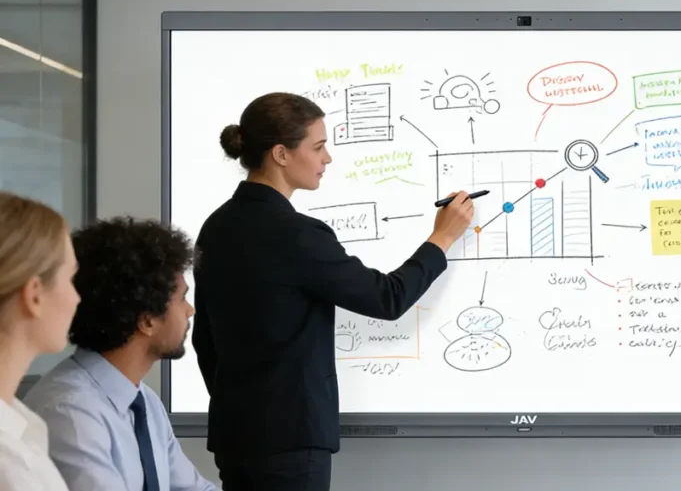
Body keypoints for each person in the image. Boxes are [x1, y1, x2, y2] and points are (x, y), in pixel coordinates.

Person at [191, 92, 474, 490]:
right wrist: (441, 238)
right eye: (319, 146)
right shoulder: (297, 235)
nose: (328, 158)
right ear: (281, 154)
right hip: (291, 442)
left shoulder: (215, 227)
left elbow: (205, 338)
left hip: (235, 436)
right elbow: (387, 298)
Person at [23, 216, 217, 491]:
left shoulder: (143, 401)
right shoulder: (70, 412)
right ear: (147, 320)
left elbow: (193, 488)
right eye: (183, 298)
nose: (190, 310)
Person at [0, 192, 79, 491]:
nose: (77, 297)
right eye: (71, 279)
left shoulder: (21, 429)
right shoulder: (9, 468)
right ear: (34, 294)